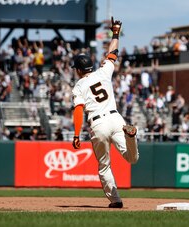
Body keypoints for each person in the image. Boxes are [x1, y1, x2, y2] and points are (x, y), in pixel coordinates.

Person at [71, 17, 139, 209]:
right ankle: (131, 137)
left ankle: (116, 200)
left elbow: (78, 110)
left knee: (104, 165)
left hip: (98, 124)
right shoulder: (103, 71)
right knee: (131, 158)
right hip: (116, 119)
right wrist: (115, 32)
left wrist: (76, 134)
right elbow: (113, 52)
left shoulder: (79, 85)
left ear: (78, 69)